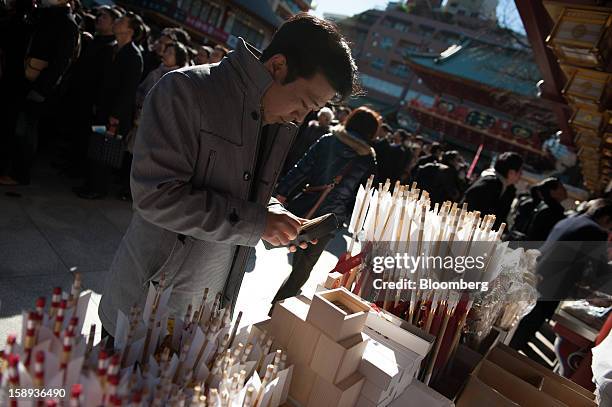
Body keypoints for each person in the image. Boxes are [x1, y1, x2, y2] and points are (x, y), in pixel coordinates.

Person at [98, 13, 359, 339]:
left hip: (207, 311)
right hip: (147, 305)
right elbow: (157, 197)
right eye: (304, 103)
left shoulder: (276, 118)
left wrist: (271, 215)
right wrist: (257, 223)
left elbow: (240, 194)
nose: (300, 117)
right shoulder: (185, 91)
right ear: (277, 66)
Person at [272, 106, 379, 303]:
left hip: (305, 208)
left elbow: (301, 168)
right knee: (305, 267)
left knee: (296, 257)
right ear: (372, 132)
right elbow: (363, 195)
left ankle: (281, 302)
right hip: (330, 219)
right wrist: (347, 218)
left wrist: (281, 193)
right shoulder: (367, 158)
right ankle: (278, 307)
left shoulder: (329, 140)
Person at [510, 199, 612, 353]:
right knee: (527, 324)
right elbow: (600, 270)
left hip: (537, 272)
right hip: (552, 284)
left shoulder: (571, 219)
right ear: (606, 219)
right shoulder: (596, 231)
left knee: (519, 320)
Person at [0, 0, 79, 185]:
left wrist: (41, 89)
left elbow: (61, 62)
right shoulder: (42, 16)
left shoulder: (67, 23)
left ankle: (19, 174)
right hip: (21, 82)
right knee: (15, 128)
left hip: (37, 87)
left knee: (25, 130)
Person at [74, 12, 144, 200]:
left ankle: (99, 188)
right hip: (102, 109)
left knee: (107, 149)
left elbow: (128, 91)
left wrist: (116, 114)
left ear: (130, 30)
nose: (117, 22)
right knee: (96, 143)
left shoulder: (134, 56)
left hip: (115, 115)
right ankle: (90, 183)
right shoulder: (112, 48)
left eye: (122, 21)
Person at [61, 5, 120, 176]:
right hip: (78, 92)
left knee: (85, 135)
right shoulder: (94, 39)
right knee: (74, 130)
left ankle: (77, 168)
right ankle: (70, 162)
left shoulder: (111, 47)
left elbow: (104, 78)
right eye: (99, 15)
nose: (99, 19)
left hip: (91, 98)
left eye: (105, 17)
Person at [462, 152, 523, 230]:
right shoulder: (489, 184)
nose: (521, 176)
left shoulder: (507, 188)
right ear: (511, 172)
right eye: (520, 172)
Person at [282, 106, 334, 174]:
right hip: (299, 150)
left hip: (310, 155)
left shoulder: (327, 132)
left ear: (327, 118)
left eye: (323, 115)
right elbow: (303, 137)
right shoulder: (312, 125)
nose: (321, 116)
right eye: (321, 114)